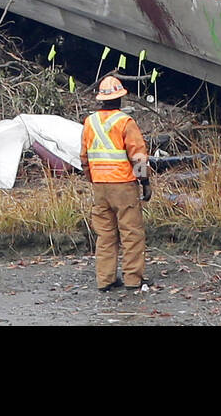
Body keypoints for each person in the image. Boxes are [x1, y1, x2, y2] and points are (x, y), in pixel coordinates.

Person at [82, 76, 151, 292]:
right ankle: (133, 280)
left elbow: (84, 157)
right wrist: (145, 182)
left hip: (100, 186)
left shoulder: (89, 122)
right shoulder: (125, 122)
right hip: (123, 185)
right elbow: (138, 157)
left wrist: (92, 179)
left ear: (101, 99)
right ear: (120, 98)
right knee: (131, 233)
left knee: (105, 235)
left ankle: (105, 280)